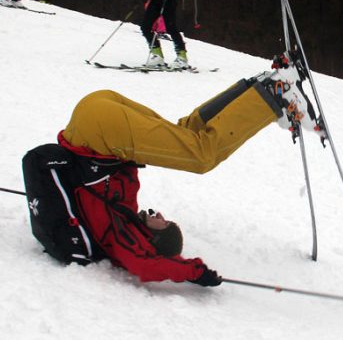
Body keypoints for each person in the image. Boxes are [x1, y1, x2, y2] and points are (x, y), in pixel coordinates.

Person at [25, 50, 325, 286]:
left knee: (201, 155)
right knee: (186, 134)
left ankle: (275, 94)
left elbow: (145, 264)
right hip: (92, 113)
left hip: (100, 131)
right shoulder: (119, 216)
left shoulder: (123, 240)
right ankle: (259, 87)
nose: (160, 215)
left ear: (151, 238)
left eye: (163, 224)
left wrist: (193, 272)